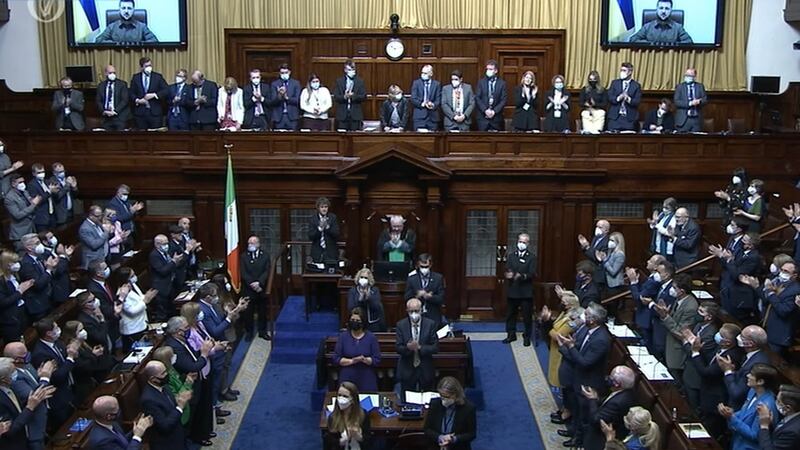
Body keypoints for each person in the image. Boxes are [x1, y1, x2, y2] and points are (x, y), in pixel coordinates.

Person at [555, 302, 611, 447]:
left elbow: (585, 362)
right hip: (578, 376)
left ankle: (578, 439)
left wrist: (570, 346)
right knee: (577, 409)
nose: (582, 316)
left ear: (592, 320)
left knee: (584, 413)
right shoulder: (587, 328)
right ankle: (573, 430)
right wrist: (569, 346)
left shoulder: (601, 339)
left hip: (589, 382)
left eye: (586, 314)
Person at [164, 316, 215, 446]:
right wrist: (204, 353)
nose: (188, 330)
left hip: (199, 379)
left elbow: (193, 356)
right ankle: (197, 436)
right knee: (195, 412)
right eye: (186, 328)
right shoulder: (174, 346)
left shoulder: (181, 340)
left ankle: (204, 431)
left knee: (202, 407)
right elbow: (192, 367)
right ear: (177, 331)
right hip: (189, 384)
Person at [688, 322, 745, 438]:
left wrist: (695, 352)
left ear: (728, 342)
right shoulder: (721, 347)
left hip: (715, 399)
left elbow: (706, 373)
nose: (717, 335)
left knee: (709, 432)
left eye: (721, 335)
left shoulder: (730, 356)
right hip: (707, 394)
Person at [741, 261, 800, 356]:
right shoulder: (778, 283)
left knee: (772, 360)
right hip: (768, 328)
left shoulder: (796, 290)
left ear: (794, 275)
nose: (782, 273)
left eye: (786, 271)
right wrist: (756, 287)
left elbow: (783, 310)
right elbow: (766, 300)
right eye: (781, 270)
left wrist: (771, 293)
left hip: (779, 335)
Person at [197, 283, 243, 404]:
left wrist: (235, 311)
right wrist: (228, 318)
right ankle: (215, 404)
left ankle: (225, 389)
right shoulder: (203, 310)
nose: (217, 297)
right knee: (217, 377)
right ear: (207, 297)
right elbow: (214, 331)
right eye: (214, 295)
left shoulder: (213, 305)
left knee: (226, 366)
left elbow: (221, 319)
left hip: (223, 342)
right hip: (215, 346)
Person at [540, 290, 581, 424]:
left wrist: (547, 322)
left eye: (563, 302)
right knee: (561, 383)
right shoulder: (565, 313)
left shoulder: (574, 319)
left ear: (570, 305)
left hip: (562, 354)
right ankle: (564, 408)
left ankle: (567, 412)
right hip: (555, 351)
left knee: (563, 382)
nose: (561, 304)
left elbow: (559, 336)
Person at [3, 341, 54, 450]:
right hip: (31, 429)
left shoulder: (27, 365)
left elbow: (36, 385)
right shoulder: (14, 379)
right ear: (16, 360)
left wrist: (39, 378)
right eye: (24, 355)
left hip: (42, 421)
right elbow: (36, 395)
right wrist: (45, 377)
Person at [31, 318, 79, 430]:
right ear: (48, 333)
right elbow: (58, 377)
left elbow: (65, 365)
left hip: (70, 390)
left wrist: (72, 357)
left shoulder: (57, 342)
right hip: (58, 400)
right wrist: (70, 358)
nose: (59, 330)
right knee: (66, 428)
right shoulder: (40, 353)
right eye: (56, 328)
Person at [719, 363, 780, 450]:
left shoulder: (766, 406)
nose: (748, 376)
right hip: (738, 443)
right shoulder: (752, 391)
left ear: (760, 382)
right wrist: (731, 413)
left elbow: (755, 435)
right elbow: (745, 411)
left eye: (751, 374)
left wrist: (732, 418)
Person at [649, 273, 699, 378]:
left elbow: (682, 333)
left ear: (682, 291)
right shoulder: (679, 299)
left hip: (677, 349)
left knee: (674, 379)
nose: (671, 289)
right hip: (667, 342)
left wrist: (665, 316)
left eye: (674, 287)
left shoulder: (690, 307)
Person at [576, 365, 637, 450]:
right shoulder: (625, 391)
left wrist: (592, 399)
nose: (607, 378)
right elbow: (607, 402)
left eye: (610, 378)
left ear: (617, 384)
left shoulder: (618, 402)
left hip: (599, 439)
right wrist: (596, 398)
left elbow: (596, 420)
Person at [139, 360, 192, 450]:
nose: (167, 374)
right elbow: (165, 426)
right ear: (153, 379)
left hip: (178, 434)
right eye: (163, 373)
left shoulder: (164, 386)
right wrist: (180, 407)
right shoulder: (148, 400)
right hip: (167, 444)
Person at [60, 320, 112, 403]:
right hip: (84, 385)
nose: (83, 332)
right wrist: (94, 355)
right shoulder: (71, 348)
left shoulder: (82, 343)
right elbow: (83, 367)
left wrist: (93, 353)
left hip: (91, 379)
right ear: (73, 334)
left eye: (83, 329)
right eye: (80, 330)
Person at [721, 325, 771, 409]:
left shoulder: (756, 364)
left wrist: (728, 371)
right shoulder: (752, 355)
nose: (738, 337)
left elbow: (737, 394)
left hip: (738, 408)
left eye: (742, 336)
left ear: (750, 344)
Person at [396, 298, 439, 394]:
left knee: (427, 399)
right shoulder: (401, 325)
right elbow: (398, 347)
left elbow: (435, 347)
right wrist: (408, 347)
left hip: (425, 368)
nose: (414, 314)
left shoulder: (430, 324)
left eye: (416, 311)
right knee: (407, 400)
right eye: (411, 311)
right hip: (407, 369)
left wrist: (420, 347)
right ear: (407, 311)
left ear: (421, 310)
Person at [333, 307, 381, 392]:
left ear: (363, 322)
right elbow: (336, 358)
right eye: (352, 320)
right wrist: (352, 361)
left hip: (366, 377)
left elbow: (376, 359)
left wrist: (364, 359)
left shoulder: (371, 337)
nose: (354, 322)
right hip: (347, 377)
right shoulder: (343, 337)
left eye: (357, 321)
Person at [424, 376, 477, 450]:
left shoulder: (468, 408)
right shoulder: (435, 404)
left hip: (458, 447)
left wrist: (453, 439)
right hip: (436, 446)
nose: (443, 400)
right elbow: (427, 429)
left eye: (447, 397)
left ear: (456, 395)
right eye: (441, 396)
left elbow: (471, 434)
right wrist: (440, 437)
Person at [626, 255, 665, 351]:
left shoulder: (654, 282)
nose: (647, 261)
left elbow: (638, 297)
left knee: (648, 346)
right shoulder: (651, 278)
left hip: (647, 317)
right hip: (644, 316)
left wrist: (633, 282)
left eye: (651, 261)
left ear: (656, 267)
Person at [503, 233, 536, 346]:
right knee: (511, 315)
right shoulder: (512, 256)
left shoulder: (532, 257)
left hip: (526, 292)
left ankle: (527, 336)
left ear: (528, 243)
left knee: (527, 316)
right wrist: (508, 274)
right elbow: (507, 269)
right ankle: (510, 335)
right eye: (520, 241)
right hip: (513, 291)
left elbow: (532, 273)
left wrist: (521, 276)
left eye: (524, 242)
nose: (521, 244)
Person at [150, 346, 196, 427]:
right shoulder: (166, 377)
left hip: (186, 407)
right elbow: (177, 395)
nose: (175, 356)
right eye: (172, 355)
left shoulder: (171, 368)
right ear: (167, 360)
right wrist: (188, 383)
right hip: (180, 412)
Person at [87, 395, 153, 450]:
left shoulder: (112, 423)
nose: (119, 411)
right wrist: (137, 436)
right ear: (109, 416)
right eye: (117, 410)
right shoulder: (102, 441)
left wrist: (136, 430)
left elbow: (122, 441)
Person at [19, 234, 58, 323]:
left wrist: (53, 267)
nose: (40, 245)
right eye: (37, 243)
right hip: (38, 304)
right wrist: (49, 269)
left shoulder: (41, 256)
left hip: (48, 297)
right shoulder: (26, 264)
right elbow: (38, 284)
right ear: (29, 248)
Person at [117, 266, 154, 351]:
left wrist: (147, 296)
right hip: (133, 329)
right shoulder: (121, 294)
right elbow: (132, 311)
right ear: (126, 279)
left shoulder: (133, 286)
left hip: (142, 324)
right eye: (132, 276)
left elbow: (141, 298)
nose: (135, 277)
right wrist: (145, 301)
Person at [404, 253, 446, 328]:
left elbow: (441, 298)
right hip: (416, 315)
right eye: (422, 267)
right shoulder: (412, 279)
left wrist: (429, 297)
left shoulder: (438, 278)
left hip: (433, 315)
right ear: (418, 265)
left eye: (426, 267)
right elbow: (406, 297)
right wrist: (417, 296)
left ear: (430, 265)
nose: (424, 269)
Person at [325, 381, 371, 449]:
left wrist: (357, 436)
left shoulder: (363, 415)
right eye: (339, 395)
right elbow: (330, 445)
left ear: (353, 399)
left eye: (345, 396)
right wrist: (344, 440)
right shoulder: (332, 418)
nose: (341, 398)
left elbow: (369, 442)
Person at [240, 235, 269, 340]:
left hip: (261, 288)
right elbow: (243, 273)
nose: (250, 245)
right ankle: (249, 332)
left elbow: (267, 271)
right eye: (249, 243)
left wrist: (259, 283)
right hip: (249, 289)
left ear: (258, 244)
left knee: (262, 312)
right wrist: (252, 283)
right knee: (248, 313)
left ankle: (263, 331)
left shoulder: (265, 256)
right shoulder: (243, 256)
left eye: (252, 243)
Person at [149, 234, 184, 321]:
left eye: (167, 243)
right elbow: (162, 271)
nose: (166, 246)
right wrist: (173, 261)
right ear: (157, 244)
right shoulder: (154, 255)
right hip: (161, 288)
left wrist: (176, 261)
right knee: (162, 314)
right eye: (164, 244)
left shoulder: (165, 253)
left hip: (170, 285)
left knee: (172, 310)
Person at [0, 251, 33, 343]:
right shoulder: (1, 281)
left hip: (21, 313)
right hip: (10, 320)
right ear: (6, 264)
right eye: (14, 262)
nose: (17, 264)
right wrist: (20, 291)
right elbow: (3, 302)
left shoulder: (14, 276)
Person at [629, 0, 693, 45]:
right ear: (657, 9)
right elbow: (633, 39)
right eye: (661, 8)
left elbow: (689, 42)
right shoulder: (647, 26)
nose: (663, 11)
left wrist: (672, 45)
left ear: (671, 10)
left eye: (667, 8)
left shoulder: (678, 27)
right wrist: (649, 44)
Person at [757, 384, 800, 450]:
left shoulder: (791, 432)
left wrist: (764, 426)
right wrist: (770, 424)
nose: (775, 403)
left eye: (778, 401)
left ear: (788, 408)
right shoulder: (793, 416)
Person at [129, 57, 169, 130]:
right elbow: (131, 92)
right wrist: (137, 100)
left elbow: (166, 90)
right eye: (146, 66)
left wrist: (154, 95)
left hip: (155, 113)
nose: (149, 68)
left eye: (150, 65)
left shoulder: (158, 77)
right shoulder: (136, 78)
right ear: (141, 67)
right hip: (140, 113)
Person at [4, 173, 40, 243]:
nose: (23, 184)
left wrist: (33, 201)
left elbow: (30, 204)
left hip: (31, 228)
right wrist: (33, 205)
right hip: (20, 233)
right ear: (13, 184)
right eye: (20, 182)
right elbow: (18, 215)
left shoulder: (25, 192)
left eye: (23, 182)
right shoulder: (9, 198)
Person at [347, 268, 386, 332]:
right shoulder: (353, 291)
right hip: (358, 323)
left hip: (372, 323)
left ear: (369, 279)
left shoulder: (375, 290)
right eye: (361, 277)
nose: (363, 279)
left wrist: (368, 298)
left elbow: (377, 307)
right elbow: (350, 308)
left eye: (365, 278)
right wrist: (361, 299)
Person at [597, 231, 626, 316]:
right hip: (608, 283)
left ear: (618, 242)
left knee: (612, 308)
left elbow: (613, 271)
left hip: (615, 285)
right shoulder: (611, 252)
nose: (610, 242)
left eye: (612, 240)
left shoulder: (620, 255)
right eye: (610, 240)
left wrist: (605, 260)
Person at [579, 219, 611, 294]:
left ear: (606, 230)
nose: (597, 229)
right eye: (596, 226)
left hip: (598, 273)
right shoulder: (595, 238)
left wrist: (587, 247)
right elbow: (591, 253)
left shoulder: (607, 242)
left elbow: (598, 258)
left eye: (600, 227)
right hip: (591, 270)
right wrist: (584, 247)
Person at [607, 63, 642, 132]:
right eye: (621, 70)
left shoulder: (636, 85)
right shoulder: (615, 83)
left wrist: (628, 98)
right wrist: (618, 98)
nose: (621, 72)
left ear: (630, 72)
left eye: (624, 70)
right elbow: (609, 97)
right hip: (615, 118)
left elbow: (637, 101)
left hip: (629, 119)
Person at [333, 59, 367, 131]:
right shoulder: (339, 81)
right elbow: (336, 97)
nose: (352, 71)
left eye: (353, 69)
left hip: (355, 115)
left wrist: (353, 96)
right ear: (345, 70)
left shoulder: (359, 81)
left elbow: (363, 96)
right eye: (349, 69)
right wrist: (345, 97)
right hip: (342, 116)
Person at [267, 63, 301, 131]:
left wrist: (286, 97)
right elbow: (272, 102)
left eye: (286, 72)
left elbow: (298, 100)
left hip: (292, 117)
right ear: (279, 73)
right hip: (279, 117)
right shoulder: (274, 84)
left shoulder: (296, 83)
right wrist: (279, 96)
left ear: (289, 72)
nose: (284, 74)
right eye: (282, 73)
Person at [475, 60, 507, 131]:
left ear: (496, 71)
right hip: (483, 119)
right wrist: (485, 110)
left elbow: (503, 100)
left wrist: (494, 112)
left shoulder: (502, 83)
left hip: (496, 119)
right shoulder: (481, 82)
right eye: (487, 69)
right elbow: (477, 98)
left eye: (491, 69)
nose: (488, 71)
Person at [96, 65, 130, 131]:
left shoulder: (122, 84)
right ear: (106, 73)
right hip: (106, 118)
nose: (113, 75)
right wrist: (104, 111)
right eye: (110, 73)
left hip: (119, 117)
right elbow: (98, 101)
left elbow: (124, 100)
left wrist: (115, 111)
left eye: (114, 73)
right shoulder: (101, 86)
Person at [673, 68, 708, 132]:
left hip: (696, 119)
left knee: (696, 140)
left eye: (690, 75)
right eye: (686, 75)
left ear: (694, 76)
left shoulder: (700, 86)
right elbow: (676, 102)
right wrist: (690, 103)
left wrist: (699, 101)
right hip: (683, 120)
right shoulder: (680, 87)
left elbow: (705, 99)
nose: (687, 76)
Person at [26, 163, 58, 233]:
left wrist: (55, 191)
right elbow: (37, 201)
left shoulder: (47, 182)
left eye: (43, 172)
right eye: (39, 172)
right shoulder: (31, 185)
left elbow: (53, 196)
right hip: (41, 218)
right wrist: (49, 192)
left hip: (51, 215)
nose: (42, 174)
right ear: (34, 173)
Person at [79, 205, 111, 270]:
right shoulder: (85, 228)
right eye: (97, 216)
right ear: (90, 215)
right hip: (93, 261)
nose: (100, 218)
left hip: (102, 257)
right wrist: (106, 233)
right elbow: (94, 245)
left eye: (101, 215)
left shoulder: (97, 223)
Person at [309, 197, 340, 263]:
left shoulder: (333, 217)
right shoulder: (313, 219)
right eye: (322, 207)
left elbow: (336, 234)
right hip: (317, 253)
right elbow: (311, 236)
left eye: (326, 207)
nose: (324, 209)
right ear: (318, 208)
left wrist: (327, 227)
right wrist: (319, 229)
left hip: (331, 252)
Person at [410, 64, 441, 131]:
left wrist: (433, 104)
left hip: (432, 118)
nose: (423, 75)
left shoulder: (437, 84)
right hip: (419, 117)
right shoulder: (416, 83)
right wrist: (422, 104)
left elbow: (438, 100)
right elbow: (413, 98)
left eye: (425, 73)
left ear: (431, 74)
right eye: (422, 73)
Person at [49, 162, 77, 227]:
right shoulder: (52, 181)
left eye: (63, 171)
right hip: (60, 215)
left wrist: (74, 187)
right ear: (54, 173)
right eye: (59, 172)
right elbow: (57, 197)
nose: (62, 173)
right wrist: (67, 185)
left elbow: (75, 196)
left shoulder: (67, 179)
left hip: (70, 212)